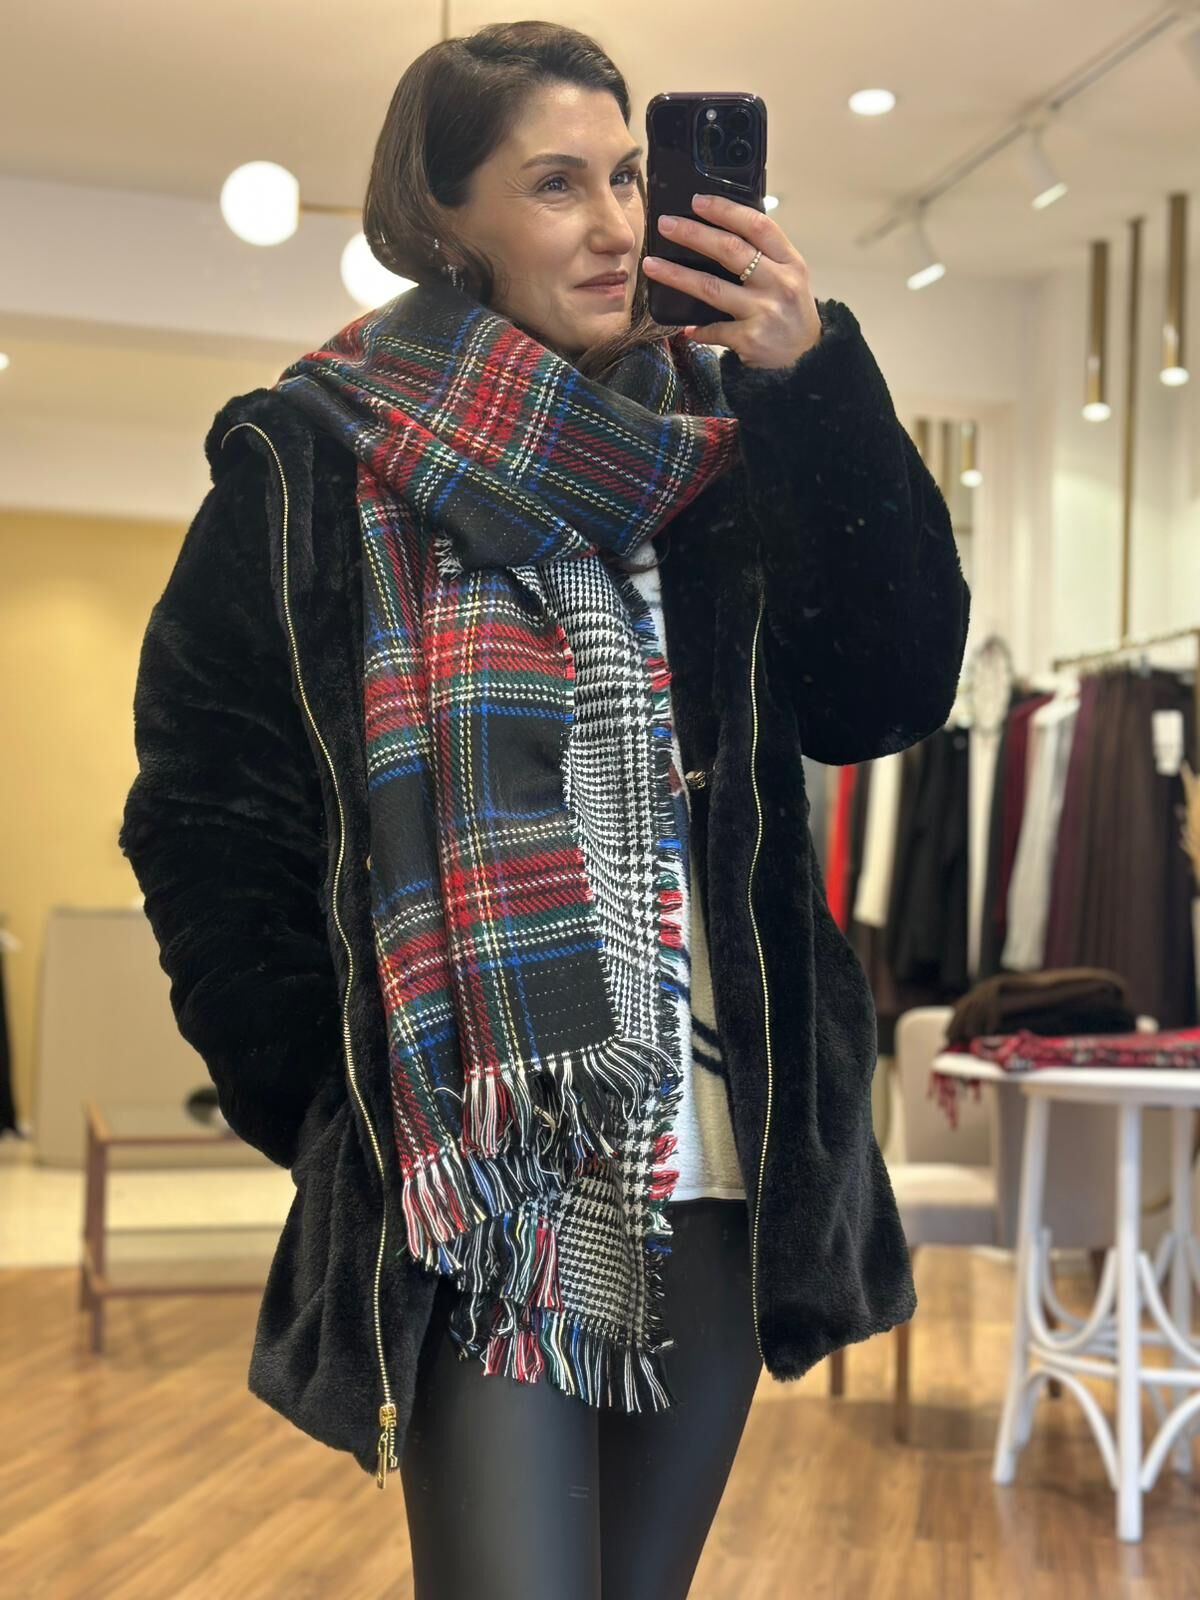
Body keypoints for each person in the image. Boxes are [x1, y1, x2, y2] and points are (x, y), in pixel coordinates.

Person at [118, 20, 971, 1600]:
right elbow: (203, 808)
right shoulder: (313, 456)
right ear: (446, 219)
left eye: (630, 176)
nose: (617, 223)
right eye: (557, 184)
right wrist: (326, 1097)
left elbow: (889, 694)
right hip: (477, 1171)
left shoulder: (726, 447)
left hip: (714, 1147)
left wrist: (817, 387)